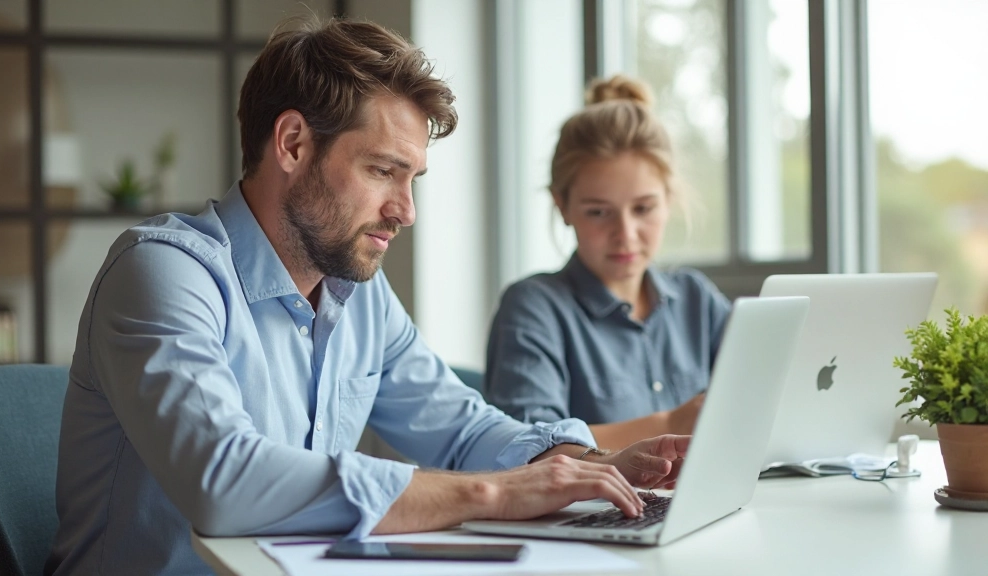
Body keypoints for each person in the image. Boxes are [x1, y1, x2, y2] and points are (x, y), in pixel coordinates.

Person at [45, 21, 691, 576]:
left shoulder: (358, 292)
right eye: (383, 171)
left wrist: (589, 464)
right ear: (293, 143)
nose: (405, 211)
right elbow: (224, 482)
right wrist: (494, 493)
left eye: (413, 179)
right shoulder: (162, 272)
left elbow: (463, 429)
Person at [485, 75, 731, 450]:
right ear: (562, 206)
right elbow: (527, 445)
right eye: (599, 212)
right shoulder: (533, 308)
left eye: (644, 209)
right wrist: (669, 424)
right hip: (594, 508)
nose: (626, 234)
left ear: (669, 199)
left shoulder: (698, 298)